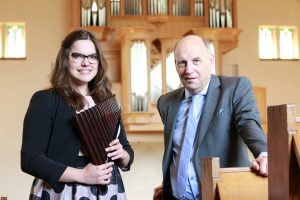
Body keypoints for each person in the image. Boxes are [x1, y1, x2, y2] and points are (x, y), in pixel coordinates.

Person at [21, 29, 134, 200]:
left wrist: (123, 155)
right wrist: (82, 175)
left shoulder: (106, 102)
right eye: (78, 56)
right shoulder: (45, 100)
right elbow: (31, 159)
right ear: (65, 59)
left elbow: (126, 150)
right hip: (60, 191)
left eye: (92, 57)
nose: (86, 63)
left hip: (107, 190)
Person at [153, 35, 267, 200]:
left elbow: (248, 123)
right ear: (175, 65)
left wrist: (264, 153)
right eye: (182, 62)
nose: (189, 69)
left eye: (196, 61)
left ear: (211, 60)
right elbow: (179, 152)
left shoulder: (235, 88)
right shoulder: (166, 103)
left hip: (221, 194)